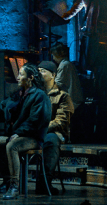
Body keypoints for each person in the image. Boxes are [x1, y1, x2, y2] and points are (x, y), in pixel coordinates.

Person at [0, 64, 50, 199]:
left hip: (32, 138)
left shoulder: (39, 96)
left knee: (12, 146)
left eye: (21, 74)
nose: (18, 77)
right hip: (13, 136)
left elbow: (36, 120)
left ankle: (14, 186)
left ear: (30, 77)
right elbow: (1, 106)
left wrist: (19, 133)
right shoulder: (17, 94)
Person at [37, 61, 74, 194]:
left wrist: (42, 129)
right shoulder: (35, 94)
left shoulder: (62, 96)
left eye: (43, 71)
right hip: (34, 131)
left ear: (53, 75)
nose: (39, 73)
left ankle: (45, 182)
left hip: (54, 132)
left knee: (51, 141)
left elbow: (61, 120)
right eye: (38, 71)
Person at [51, 44, 83, 110]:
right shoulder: (67, 63)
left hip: (72, 101)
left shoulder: (64, 65)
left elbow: (57, 83)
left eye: (53, 55)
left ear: (58, 54)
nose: (53, 58)